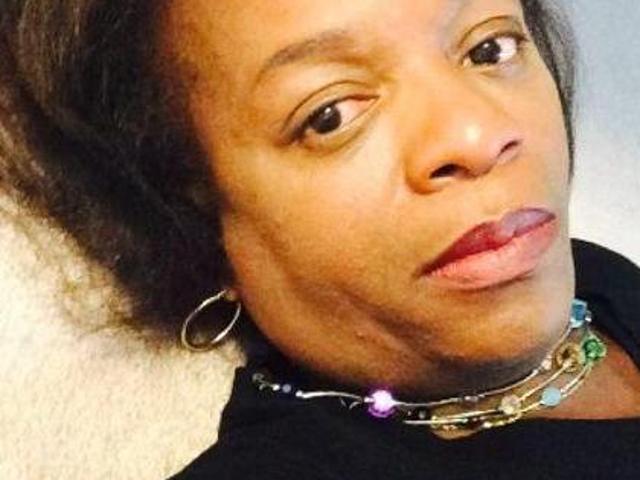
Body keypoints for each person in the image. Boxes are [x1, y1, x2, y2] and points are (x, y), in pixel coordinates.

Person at [1, 0, 639, 478]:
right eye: (330, 115)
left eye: (490, 48)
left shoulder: (594, 282)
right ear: (188, 216)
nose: (477, 135)